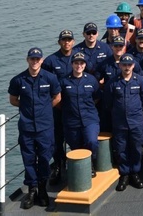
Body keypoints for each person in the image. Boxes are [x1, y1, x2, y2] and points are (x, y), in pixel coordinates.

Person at [8, 47, 61, 209]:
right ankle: (32, 189)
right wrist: (27, 110)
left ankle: (42, 189)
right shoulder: (18, 80)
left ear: (42, 60)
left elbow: (57, 97)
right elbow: (13, 100)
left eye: (38, 59)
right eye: (32, 59)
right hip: (27, 128)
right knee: (29, 159)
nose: (35, 62)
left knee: (45, 158)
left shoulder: (50, 78)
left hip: (45, 127)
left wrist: (44, 110)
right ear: (27, 60)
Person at [105, 54, 143, 192]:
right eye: (124, 64)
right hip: (119, 122)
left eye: (129, 65)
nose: (127, 67)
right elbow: (108, 103)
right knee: (121, 148)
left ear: (133, 66)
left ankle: (135, 172)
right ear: (120, 65)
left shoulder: (141, 81)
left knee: (136, 147)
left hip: (136, 121)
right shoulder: (112, 83)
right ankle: (124, 174)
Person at [41, 29, 75, 183]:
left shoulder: (79, 58)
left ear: (73, 41)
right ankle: (59, 165)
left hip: (74, 107)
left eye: (69, 39)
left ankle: (77, 164)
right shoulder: (50, 61)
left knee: (75, 136)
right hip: (57, 107)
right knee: (56, 138)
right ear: (59, 42)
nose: (66, 42)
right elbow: (43, 83)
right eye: (64, 40)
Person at [60, 53, 101, 177]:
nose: (79, 65)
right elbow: (59, 99)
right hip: (71, 120)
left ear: (85, 65)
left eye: (81, 63)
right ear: (72, 64)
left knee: (92, 141)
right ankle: (79, 169)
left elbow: (97, 96)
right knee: (75, 146)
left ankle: (91, 163)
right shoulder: (64, 81)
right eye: (76, 63)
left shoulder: (91, 80)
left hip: (89, 118)